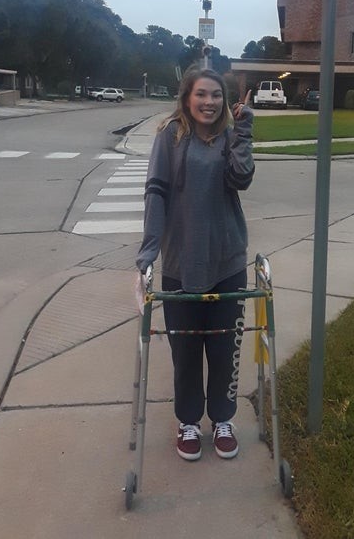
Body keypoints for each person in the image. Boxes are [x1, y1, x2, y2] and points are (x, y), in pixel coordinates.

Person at [136, 66, 255, 461]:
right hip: (180, 264)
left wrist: (243, 132)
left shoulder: (228, 135)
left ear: (225, 100)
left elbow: (242, 178)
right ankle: (188, 421)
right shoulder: (171, 136)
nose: (209, 102)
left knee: (224, 349)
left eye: (216, 95)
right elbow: (156, 194)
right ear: (187, 97)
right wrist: (148, 254)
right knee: (185, 352)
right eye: (201, 94)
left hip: (227, 261)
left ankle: (222, 418)